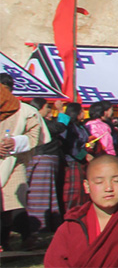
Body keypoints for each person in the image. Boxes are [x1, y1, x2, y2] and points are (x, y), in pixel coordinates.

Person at [0, 75, 45, 250]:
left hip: (14, 163)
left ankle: (8, 241)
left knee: (12, 204)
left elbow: (35, 135)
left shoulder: (25, 112)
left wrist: (16, 142)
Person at [24, 98, 65, 230]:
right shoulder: (37, 121)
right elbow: (59, 127)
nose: (49, 110)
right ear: (39, 108)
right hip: (42, 158)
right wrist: (60, 111)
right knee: (40, 193)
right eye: (47, 107)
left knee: (43, 192)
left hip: (40, 158)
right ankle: (39, 223)